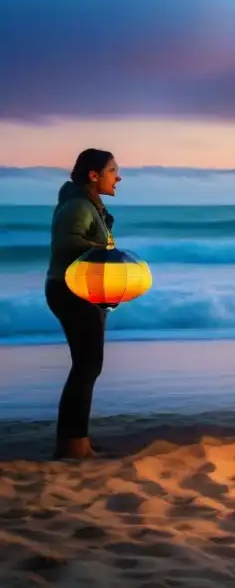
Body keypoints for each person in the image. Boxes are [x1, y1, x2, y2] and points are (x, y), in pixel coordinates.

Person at [46, 149, 121, 460]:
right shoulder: (78, 205)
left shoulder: (90, 205)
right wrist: (108, 250)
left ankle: (76, 441)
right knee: (87, 366)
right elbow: (67, 241)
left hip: (82, 291)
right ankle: (72, 444)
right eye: (112, 170)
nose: (118, 177)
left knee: (88, 366)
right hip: (69, 291)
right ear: (94, 175)